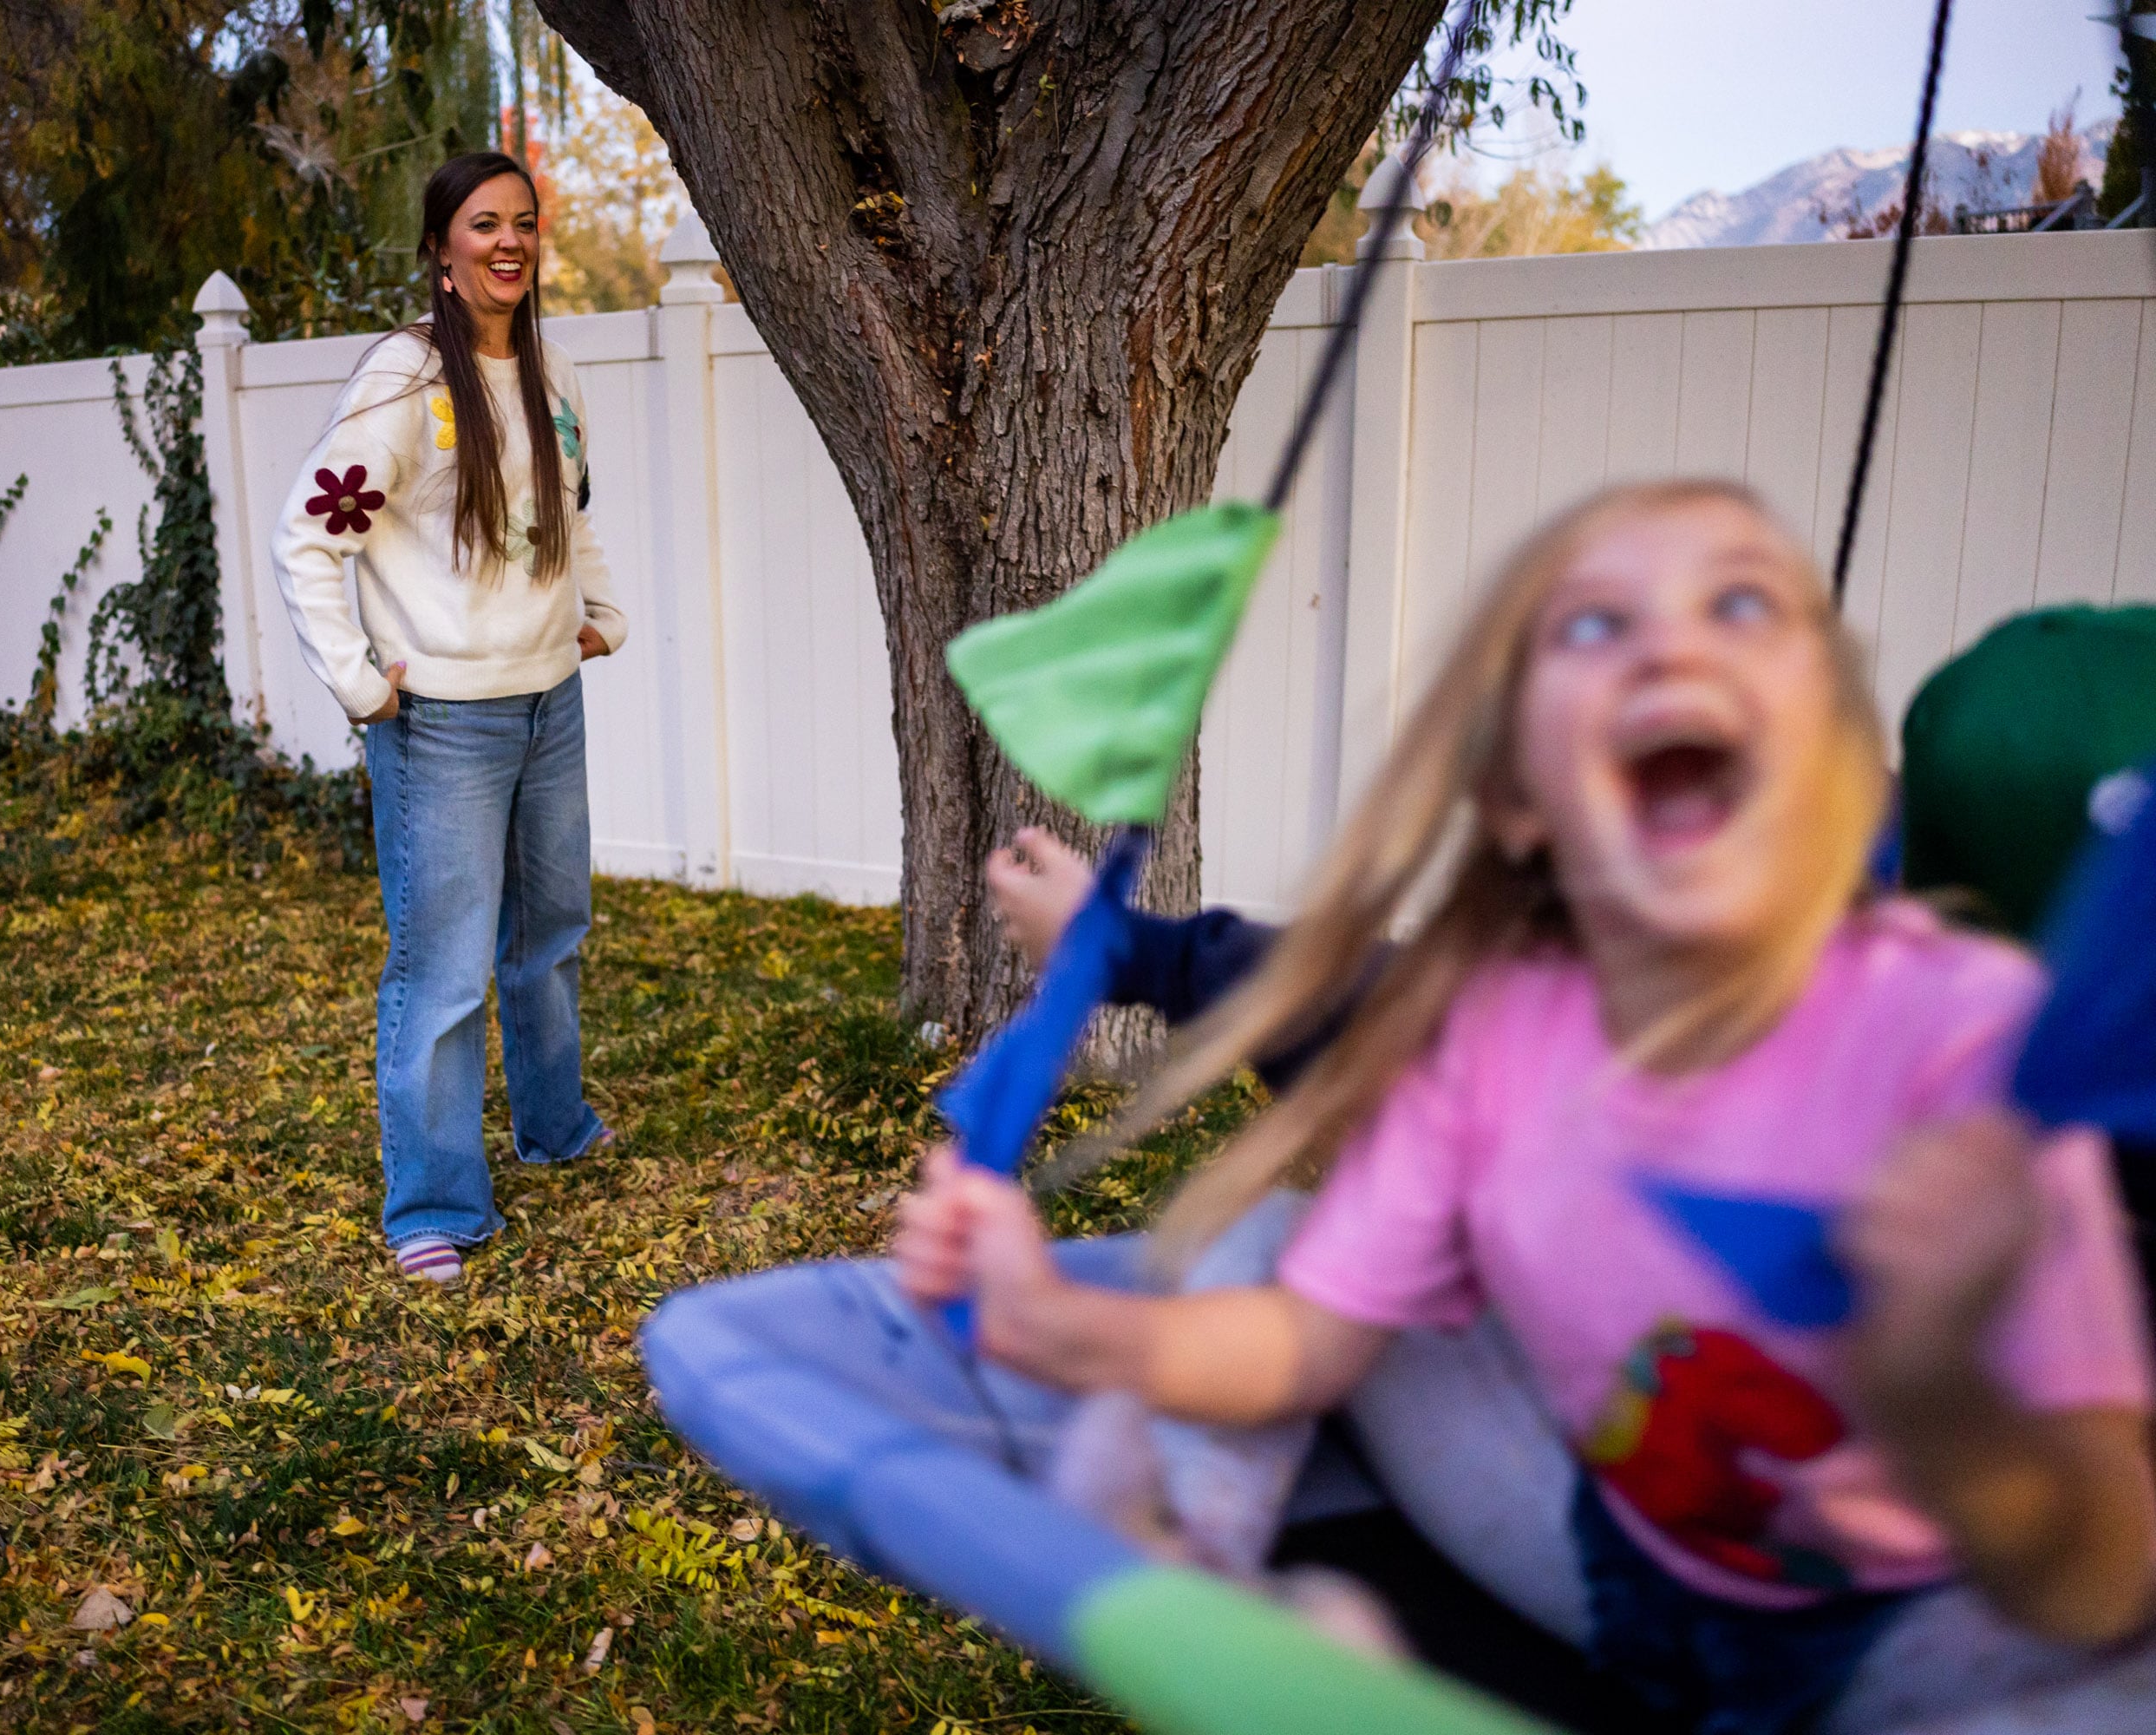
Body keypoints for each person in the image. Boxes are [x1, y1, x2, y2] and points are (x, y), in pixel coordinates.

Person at [645, 481, 2156, 1734]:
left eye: (1744, 604)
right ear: (1514, 796)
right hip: (1594, 1549)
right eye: (1597, 623)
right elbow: (1307, 1340)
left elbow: (2099, 1578)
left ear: (1839, 765)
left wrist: (1938, 1376)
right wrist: (1058, 1331)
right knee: (1270, 1239)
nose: (1669, 644)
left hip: (1920, 1636)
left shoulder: (1969, 1056)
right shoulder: (1487, 1029)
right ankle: (1227, 1601)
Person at [272, 150, 625, 1286]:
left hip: (547, 705)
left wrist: (597, 615)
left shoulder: (550, 374)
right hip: (444, 731)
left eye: (524, 223)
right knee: (445, 970)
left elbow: (569, 513)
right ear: (441, 248)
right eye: (484, 225)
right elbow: (309, 538)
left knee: (554, 934)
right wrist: (361, 684)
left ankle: (554, 1128)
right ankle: (433, 1204)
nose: (509, 242)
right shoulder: (404, 382)